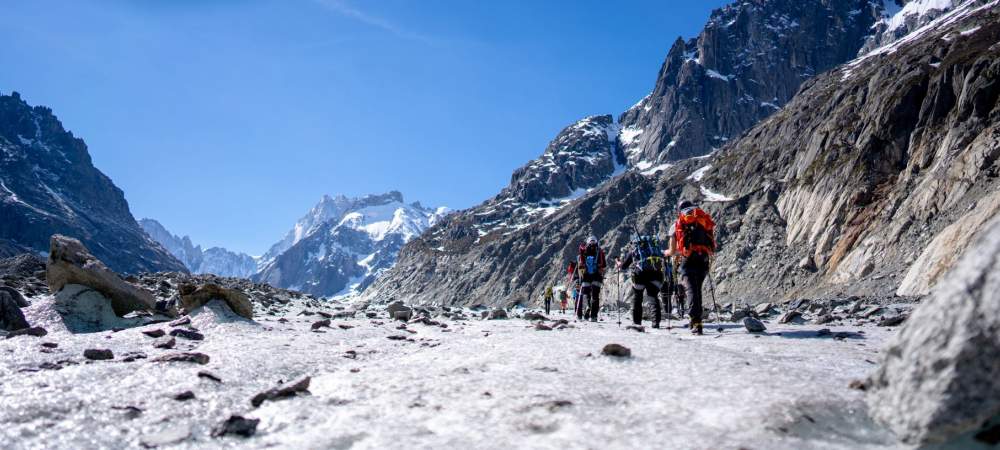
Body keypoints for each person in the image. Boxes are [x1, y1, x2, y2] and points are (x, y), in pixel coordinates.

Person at [670, 200, 716, 335]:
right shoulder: (702, 220)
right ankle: (695, 320)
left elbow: (673, 250)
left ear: (679, 210)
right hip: (703, 258)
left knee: (691, 290)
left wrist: (668, 253)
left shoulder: (679, 222)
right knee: (697, 290)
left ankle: (696, 322)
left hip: (688, 259)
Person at [617, 235, 667, 328]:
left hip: (640, 274)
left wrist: (619, 263)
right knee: (653, 297)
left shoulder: (635, 251)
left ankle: (637, 323)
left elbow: (623, 267)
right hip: (656, 274)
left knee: (637, 297)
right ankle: (656, 323)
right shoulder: (655, 250)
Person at [576, 235, 607, 322]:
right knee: (595, 296)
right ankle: (594, 316)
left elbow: (581, 264)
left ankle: (587, 309)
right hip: (597, 276)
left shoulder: (584, 250)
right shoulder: (600, 251)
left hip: (586, 275)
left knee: (586, 295)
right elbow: (604, 265)